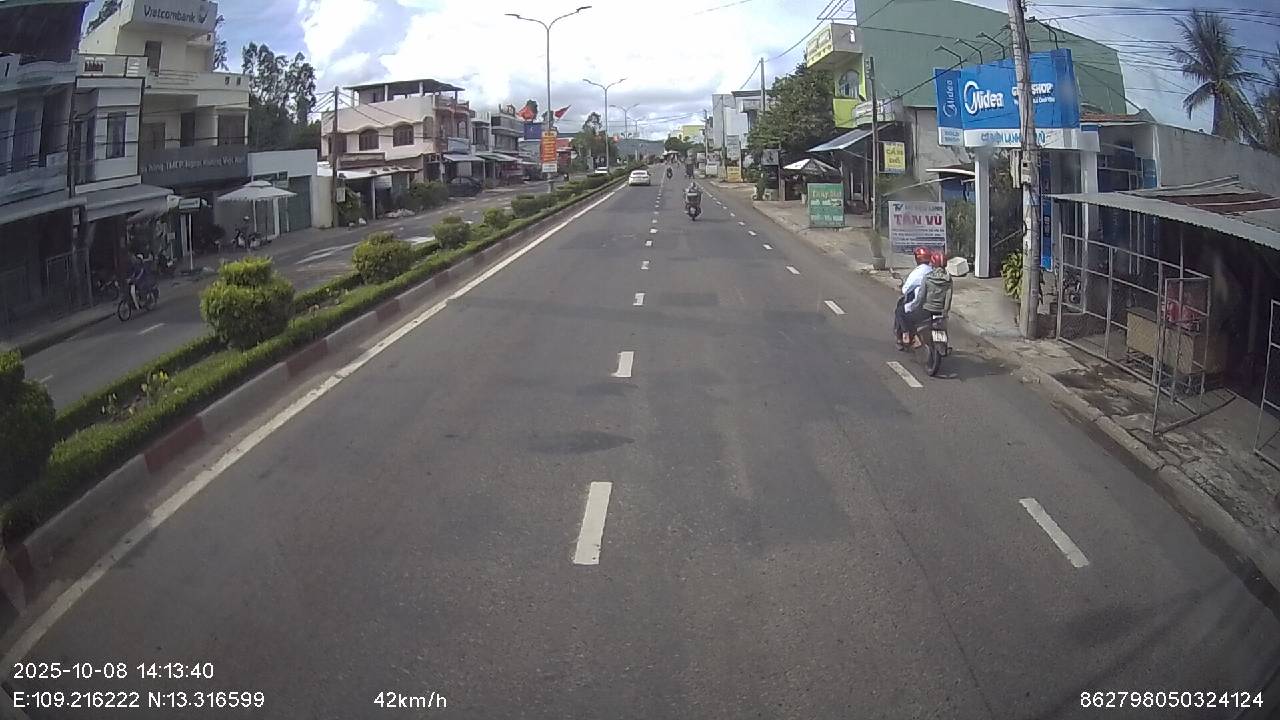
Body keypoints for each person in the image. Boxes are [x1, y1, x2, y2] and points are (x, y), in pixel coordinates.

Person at [895, 247, 933, 347]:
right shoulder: (933, 270)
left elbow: (905, 289)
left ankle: (906, 334)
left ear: (917, 258)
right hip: (936, 306)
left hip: (922, 306)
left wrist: (902, 289)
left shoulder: (918, 272)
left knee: (900, 311)